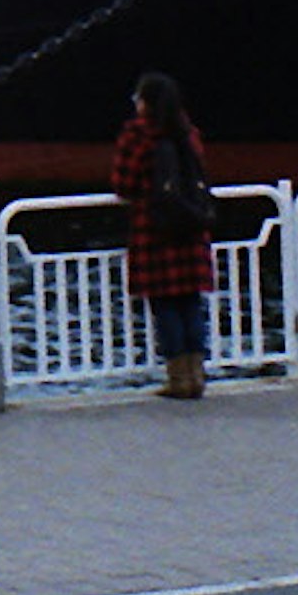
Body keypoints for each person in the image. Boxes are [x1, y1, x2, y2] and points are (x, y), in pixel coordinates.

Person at [113, 70, 217, 401]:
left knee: (165, 307)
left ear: (145, 102)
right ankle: (197, 375)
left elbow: (123, 183)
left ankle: (178, 380)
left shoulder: (138, 135)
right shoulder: (189, 133)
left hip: (155, 231)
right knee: (190, 303)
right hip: (191, 227)